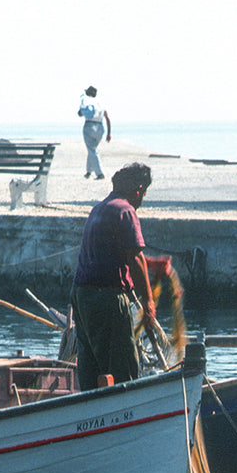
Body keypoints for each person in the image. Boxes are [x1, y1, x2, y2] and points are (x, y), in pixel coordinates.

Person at [71, 162, 157, 390]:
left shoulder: (99, 208)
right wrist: (148, 303)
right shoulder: (125, 211)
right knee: (122, 368)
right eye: (144, 194)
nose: (142, 201)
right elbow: (136, 259)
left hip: (81, 296)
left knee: (92, 366)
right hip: (106, 298)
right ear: (138, 190)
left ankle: (92, 410)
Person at [77, 85, 111, 179]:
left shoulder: (86, 101)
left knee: (92, 150)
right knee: (92, 149)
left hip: (89, 126)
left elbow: (80, 114)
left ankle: (99, 173)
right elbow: (107, 118)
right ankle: (88, 172)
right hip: (100, 127)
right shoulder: (101, 103)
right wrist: (109, 133)